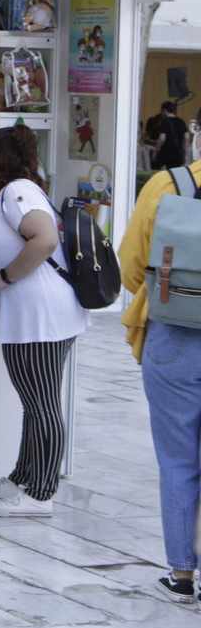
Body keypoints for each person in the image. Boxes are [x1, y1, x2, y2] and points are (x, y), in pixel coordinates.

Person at [0, 126, 88, 518]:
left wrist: (3, 277)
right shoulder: (22, 190)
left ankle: (40, 493)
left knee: (43, 404)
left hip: (41, 315)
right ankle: (21, 478)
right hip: (35, 314)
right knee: (35, 402)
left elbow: (45, 239)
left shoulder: (18, 192)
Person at [119, 147, 201, 602]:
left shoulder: (167, 184)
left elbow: (133, 267)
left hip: (176, 334)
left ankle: (182, 575)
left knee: (177, 459)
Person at [152, 101, 190, 170]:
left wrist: (155, 151)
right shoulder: (181, 121)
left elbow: (162, 139)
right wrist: (185, 153)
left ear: (164, 110)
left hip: (165, 152)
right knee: (174, 173)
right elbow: (187, 137)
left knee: (155, 169)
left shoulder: (165, 121)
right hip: (177, 153)